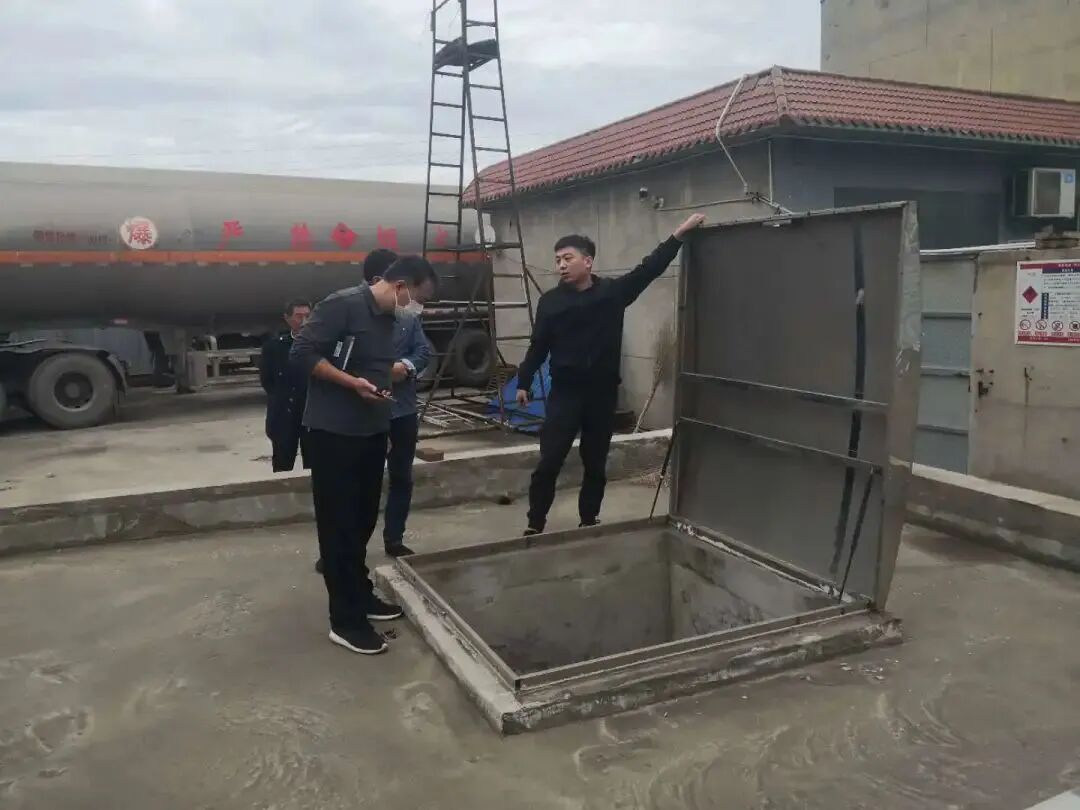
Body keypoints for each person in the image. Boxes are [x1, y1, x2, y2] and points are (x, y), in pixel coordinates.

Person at [515, 213, 706, 535]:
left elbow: (648, 269)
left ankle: (589, 520)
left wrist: (678, 236)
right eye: (558, 260)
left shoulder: (612, 294)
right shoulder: (551, 302)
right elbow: (538, 346)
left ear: (587, 261)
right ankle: (535, 523)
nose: (561, 265)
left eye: (567, 258)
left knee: (595, 463)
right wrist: (524, 381)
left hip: (601, 395)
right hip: (565, 394)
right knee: (549, 461)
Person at [291, 256, 437, 655]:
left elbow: (375, 367)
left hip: (371, 431)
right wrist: (350, 382)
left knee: (361, 522)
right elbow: (302, 353)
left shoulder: (389, 318)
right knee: (338, 528)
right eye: (419, 299)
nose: (418, 309)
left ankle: (360, 593)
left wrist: (380, 416)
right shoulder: (342, 304)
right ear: (400, 286)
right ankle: (345, 621)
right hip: (333, 433)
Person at [362, 249, 431, 558]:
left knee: (401, 477)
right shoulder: (357, 315)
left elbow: (423, 352)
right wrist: (381, 371)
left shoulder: (407, 318)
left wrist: (407, 366)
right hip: (367, 411)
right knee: (363, 481)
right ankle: (348, 546)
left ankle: (394, 538)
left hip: (403, 410)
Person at [259, 299, 312, 472]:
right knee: (282, 465)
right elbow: (268, 381)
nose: (304, 321)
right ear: (287, 318)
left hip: (312, 415)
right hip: (284, 415)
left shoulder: (320, 345)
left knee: (315, 467)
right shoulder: (274, 347)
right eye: (298, 316)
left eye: (308, 316)